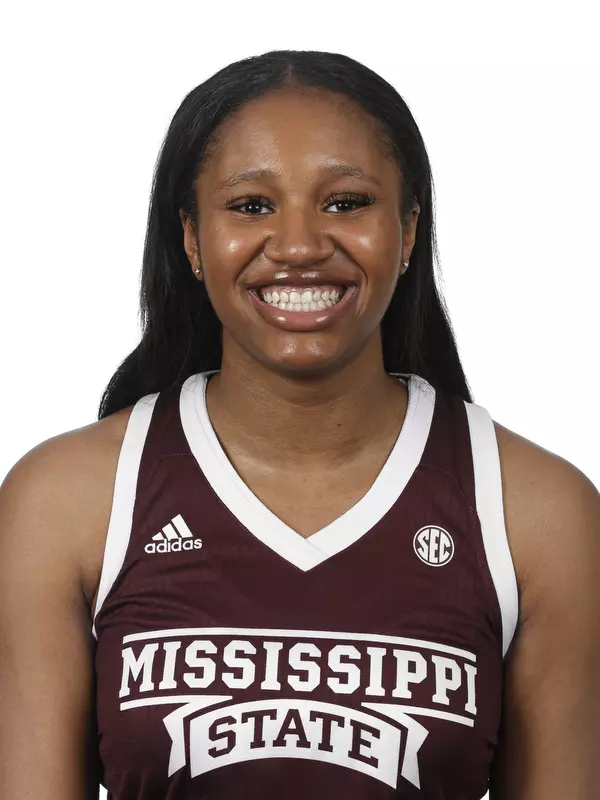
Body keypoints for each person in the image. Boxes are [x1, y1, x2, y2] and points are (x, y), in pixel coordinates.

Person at [1, 49, 599, 800]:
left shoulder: (538, 514)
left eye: (346, 202)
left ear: (409, 231)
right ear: (190, 237)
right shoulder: (66, 502)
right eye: (251, 206)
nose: (299, 246)